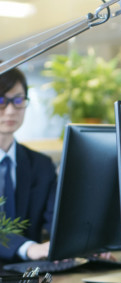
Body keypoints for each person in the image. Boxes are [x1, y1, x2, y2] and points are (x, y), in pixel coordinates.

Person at [0, 65, 57, 263]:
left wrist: (86, 247)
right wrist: (28, 247)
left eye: (17, 100)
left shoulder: (41, 166)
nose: (10, 110)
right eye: (1, 101)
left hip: (29, 280)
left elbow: (57, 223)